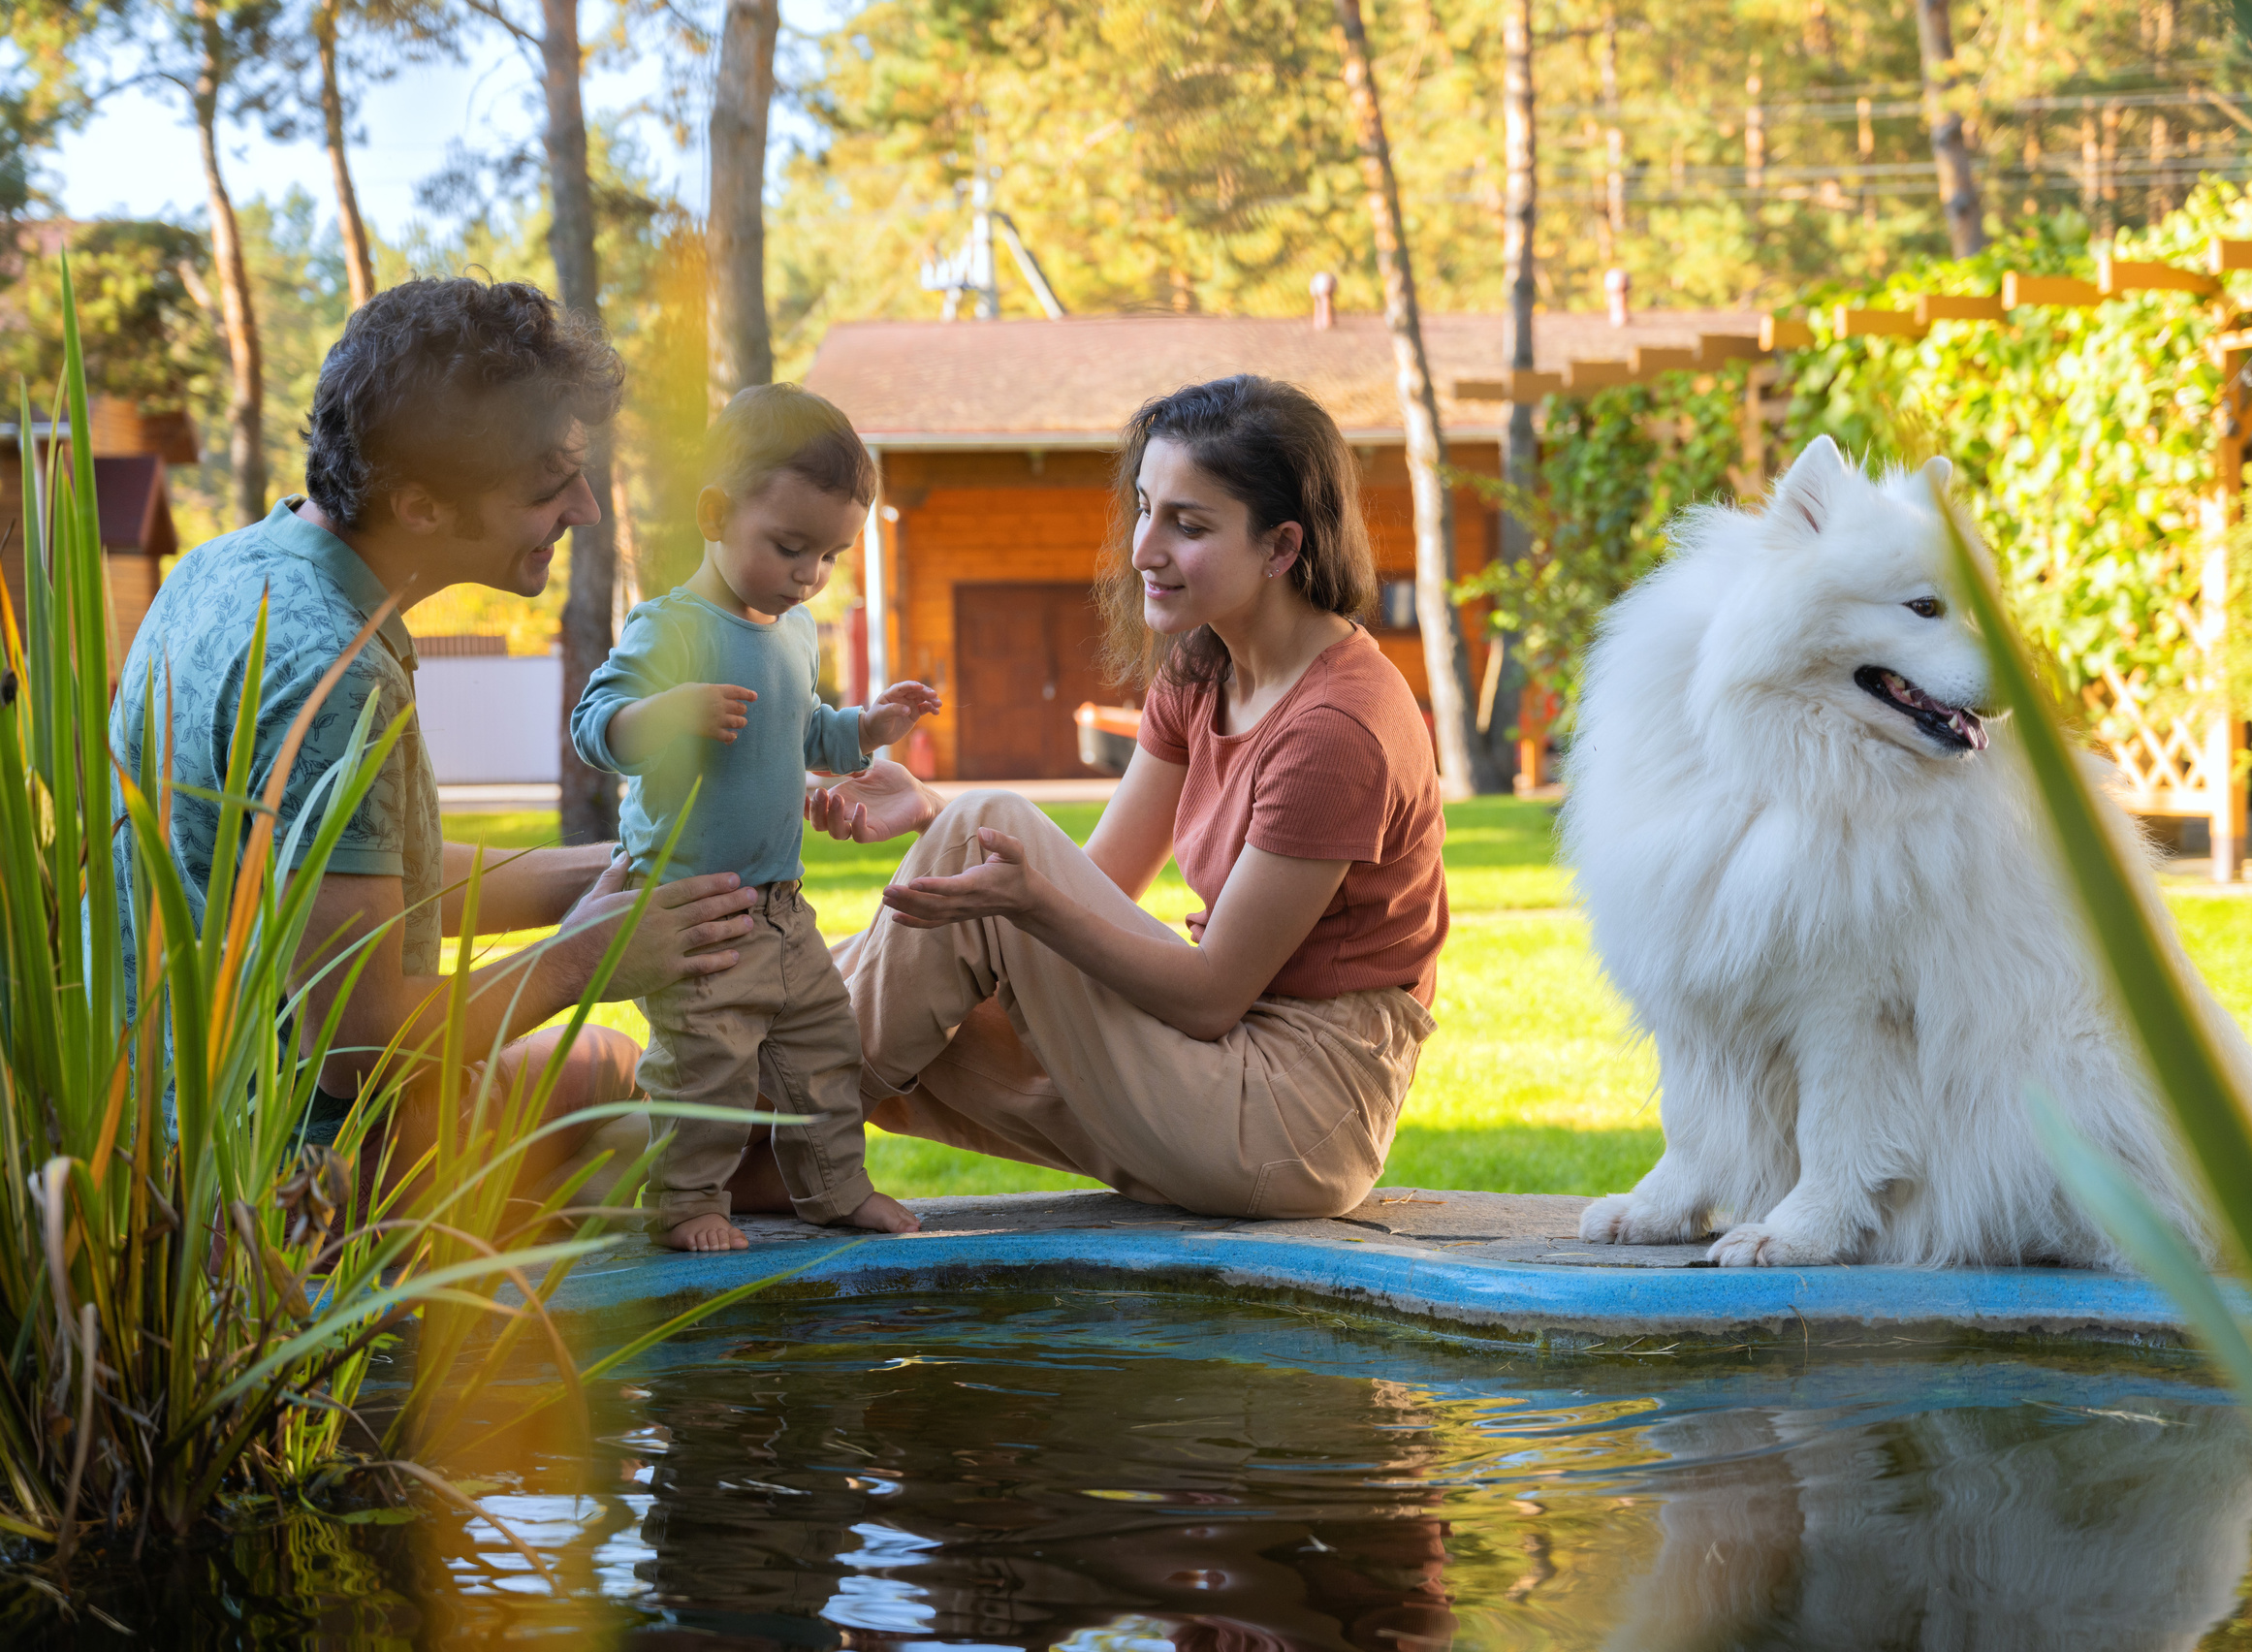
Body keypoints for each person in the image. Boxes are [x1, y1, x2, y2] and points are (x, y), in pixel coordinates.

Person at [110, 276, 766, 1190]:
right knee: (630, 1090)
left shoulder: (228, 569)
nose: (585, 509)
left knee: (613, 1085)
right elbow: (360, 1044)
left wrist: (611, 870)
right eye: (548, 487)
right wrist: (589, 956)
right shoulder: (335, 675)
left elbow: (352, 885)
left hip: (164, 1117)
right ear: (419, 506)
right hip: (279, 1178)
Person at [805, 373, 1447, 1220]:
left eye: (1189, 524)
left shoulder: (1338, 729)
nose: (1145, 548)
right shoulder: (1204, 664)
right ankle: (762, 1130)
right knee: (893, 994)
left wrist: (1025, 895)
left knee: (964, 870)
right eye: (1145, 508)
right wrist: (937, 815)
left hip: (1294, 1116)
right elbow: (1101, 882)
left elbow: (1213, 996)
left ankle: (754, 1137)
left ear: (1282, 547)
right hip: (1210, 1064)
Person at [571, 385, 936, 1251]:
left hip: (782, 906)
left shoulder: (794, 629)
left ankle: (836, 1190)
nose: (809, 573)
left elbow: (803, 727)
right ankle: (688, 1202)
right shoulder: (670, 628)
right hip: (695, 911)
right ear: (714, 511)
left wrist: (866, 732)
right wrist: (667, 714)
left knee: (827, 1050)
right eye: (789, 546)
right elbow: (595, 728)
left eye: (830, 555)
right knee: (708, 1064)